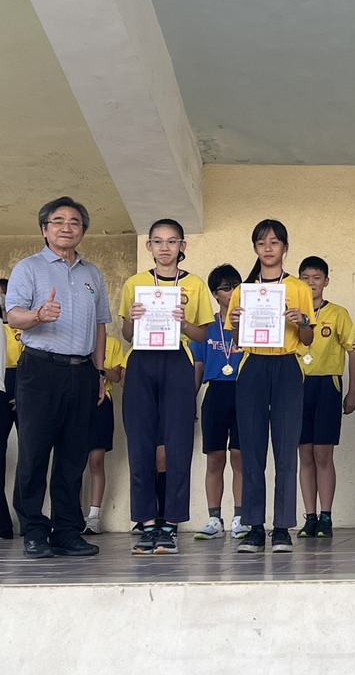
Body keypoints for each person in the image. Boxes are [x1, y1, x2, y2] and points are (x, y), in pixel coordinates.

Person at [6, 196, 111, 558]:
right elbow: (13, 315)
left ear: (82, 230)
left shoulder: (92, 274)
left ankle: (67, 530)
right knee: (34, 453)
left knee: (73, 456)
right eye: (58, 221)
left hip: (82, 372)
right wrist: (38, 315)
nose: (67, 227)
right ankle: (34, 529)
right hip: (40, 369)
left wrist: (99, 372)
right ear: (44, 229)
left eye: (74, 222)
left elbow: (101, 326)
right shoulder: (29, 268)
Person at [121, 219, 213, 556]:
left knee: (177, 445)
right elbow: (127, 334)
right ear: (149, 246)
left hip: (177, 361)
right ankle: (147, 524)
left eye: (172, 241)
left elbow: (203, 334)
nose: (165, 247)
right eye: (158, 241)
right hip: (141, 362)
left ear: (182, 246)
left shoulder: (195, 284)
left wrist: (184, 322)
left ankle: (171, 524)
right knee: (140, 444)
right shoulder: (135, 283)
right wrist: (133, 319)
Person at [227, 219, 315, 554]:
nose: (268, 248)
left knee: (286, 448)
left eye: (275, 242)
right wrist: (237, 323)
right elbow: (238, 339)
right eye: (262, 242)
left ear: (285, 248)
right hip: (253, 366)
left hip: (287, 366)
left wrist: (302, 321)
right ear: (255, 248)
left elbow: (307, 339)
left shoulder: (299, 288)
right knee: (251, 449)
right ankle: (254, 527)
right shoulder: (243, 290)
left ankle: (281, 528)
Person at [296, 256, 355, 539]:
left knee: (323, 453)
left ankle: (326, 516)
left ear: (326, 281)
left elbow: (353, 351)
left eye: (317, 278)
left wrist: (352, 391)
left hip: (327, 386)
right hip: (297, 387)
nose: (311, 283)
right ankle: (310, 516)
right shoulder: (292, 313)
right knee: (304, 454)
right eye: (305, 278)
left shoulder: (338, 314)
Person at [191, 264, 247, 540]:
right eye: (226, 288)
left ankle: (240, 517)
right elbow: (198, 367)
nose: (232, 292)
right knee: (215, 458)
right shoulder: (207, 327)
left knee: (240, 457)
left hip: (244, 391)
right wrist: (190, 401)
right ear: (215, 294)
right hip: (215, 392)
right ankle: (214, 518)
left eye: (236, 286)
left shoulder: (249, 324)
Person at [80, 330, 125, 535]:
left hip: (101, 402)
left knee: (96, 461)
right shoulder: (77, 338)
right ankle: (72, 514)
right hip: (77, 401)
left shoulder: (112, 343)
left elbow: (117, 376)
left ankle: (94, 516)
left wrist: (99, 369)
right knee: (74, 461)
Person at [0, 319, 18, 539]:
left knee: (30, 454)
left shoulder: (26, 325)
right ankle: (4, 522)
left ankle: (27, 520)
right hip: (4, 381)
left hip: (21, 378)